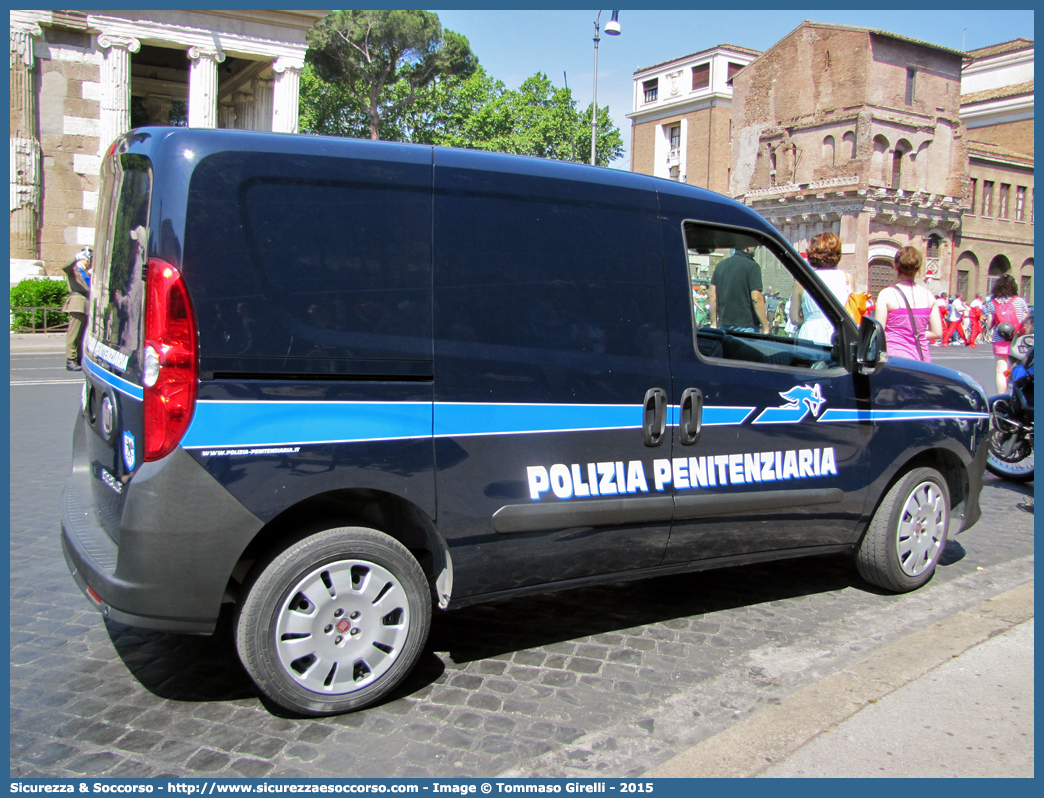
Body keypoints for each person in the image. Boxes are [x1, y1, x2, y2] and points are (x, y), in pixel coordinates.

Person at [876, 246, 942, 362]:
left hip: (894, 358)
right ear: (918, 269)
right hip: (921, 359)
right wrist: (917, 333)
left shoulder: (886, 294)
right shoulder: (929, 296)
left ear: (896, 267)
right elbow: (937, 332)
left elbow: (878, 331)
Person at [789, 232, 850, 345]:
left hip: (809, 334)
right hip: (837, 335)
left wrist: (809, 320)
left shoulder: (802, 280)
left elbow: (794, 318)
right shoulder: (847, 278)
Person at [983, 274, 1031, 393]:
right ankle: (1019, 395)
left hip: (1000, 339)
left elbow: (989, 325)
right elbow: (1026, 322)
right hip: (1018, 340)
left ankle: (1002, 398)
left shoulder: (993, 303)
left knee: (1001, 370)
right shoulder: (1020, 301)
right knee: (1020, 368)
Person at [709, 245, 770, 334]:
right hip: (747, 326)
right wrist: (766, 328)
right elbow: (756, 299)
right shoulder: (753, 266)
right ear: (747, 246)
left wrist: (714, 323)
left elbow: (712, 296)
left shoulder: (720, 265)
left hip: (724, 324)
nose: (756, 247)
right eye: (754, 245)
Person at [61, 246, 92, 371]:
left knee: (81, 334)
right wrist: (76, 257)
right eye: (87, 259)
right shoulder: (74, 269)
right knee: (74, 334)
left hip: (86, 304)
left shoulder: (86, 272)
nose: (89, 261)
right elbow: (65, 267)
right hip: (77, 303)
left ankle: (79, 357)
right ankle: (70, 359)